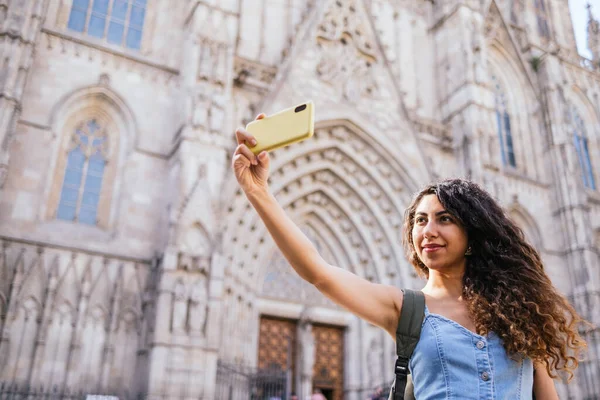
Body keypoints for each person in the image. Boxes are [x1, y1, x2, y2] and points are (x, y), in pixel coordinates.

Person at [232, 115, 588, 399]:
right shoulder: (407, 310)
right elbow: (317, 272)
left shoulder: (520, 315)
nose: (427, 230)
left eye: (444, 219)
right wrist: (258, 192)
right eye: (420, 221)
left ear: (474, 234)